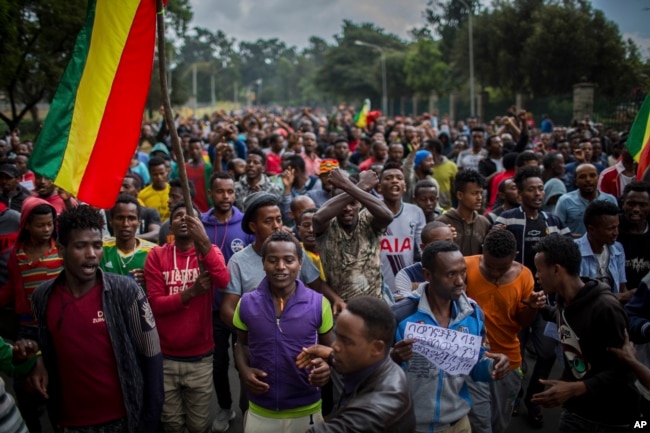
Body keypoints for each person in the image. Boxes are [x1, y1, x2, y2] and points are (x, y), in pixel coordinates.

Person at [31, 205, 164, 433]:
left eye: (97, 245)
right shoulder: (42, 297)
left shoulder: (126, 291)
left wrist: (150, 419)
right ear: (61, 250)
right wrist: (36, 356)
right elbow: (44, 346)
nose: (92, 254)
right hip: (69, 422)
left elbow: (151, 355)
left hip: (125, 420)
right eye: (81, 246)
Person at [391, 241, 509, 433]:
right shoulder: (400, 316)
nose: (460, 281)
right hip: (408, 425)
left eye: (463, 272)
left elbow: (475, 367)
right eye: (451, 274)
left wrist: (493, 367)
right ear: (427, 275)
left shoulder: (473, 314)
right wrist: (394, 357)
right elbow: (374, 370)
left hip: (458, 424)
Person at [531, 234, 639, 432]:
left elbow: (624, 371)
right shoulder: (565, 300)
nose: (537, 276)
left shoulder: (605, 309)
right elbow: (564, 317)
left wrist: (575, 388)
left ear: (556, 270)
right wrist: (540, 308)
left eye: (539, 270)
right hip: (576, 410)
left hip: (611, 417)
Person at [233, 231, 333, 432]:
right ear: (263, 263)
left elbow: (331, 350)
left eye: (288, 260)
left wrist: (326, 368)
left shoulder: (319, 304)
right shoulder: (246, 303)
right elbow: (240, 344)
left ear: (300, 263)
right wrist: (244, 371)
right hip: (261, 409)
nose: (280, 267)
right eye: (272, 260)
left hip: (307, 408)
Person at [144, 202, 229, 433]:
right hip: (165, 358)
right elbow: (155, 304)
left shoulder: (211, 252)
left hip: (200, 359)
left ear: (200, 225)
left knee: (198, 425)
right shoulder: (156, 256)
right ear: (170, 225)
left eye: (190, 216)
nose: (184, 219)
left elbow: (223, 281)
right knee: (171, 425)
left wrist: (203, 244)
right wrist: (192, 292)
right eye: (178, 216)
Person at [296, 296, 416, 433]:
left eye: (346, 341)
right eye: (337, 336)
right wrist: (330, 356)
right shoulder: (383, 366)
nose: (334, 346)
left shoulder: (374, 411)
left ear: (376, 348)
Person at [465, 230, 544, 433]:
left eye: (502, 268)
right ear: (483, 252)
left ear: (515, 256)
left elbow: (523, 321)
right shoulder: (465, 266)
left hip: (507, 361)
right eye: (490, 266)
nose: (495, 273)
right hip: (470, 359)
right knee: (479, 424)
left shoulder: (525, 276)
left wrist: (532, 307)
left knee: (499, 422)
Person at [200, 171, 254, 432]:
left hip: (243, 309)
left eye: (230, 191)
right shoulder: (201, 224)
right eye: (220, 192)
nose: (226, 197)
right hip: (212, 311)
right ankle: (224, 407)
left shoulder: (246, 225)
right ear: (211, 193)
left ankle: (249, 408)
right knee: (218, 364)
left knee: (246, 359)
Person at [313, 169, 393, 301]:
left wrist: (346, 185)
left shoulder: (368, 219)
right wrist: (361, 186)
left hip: (373, 303)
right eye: (343, 204)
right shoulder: (326, 225)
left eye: (353, 203)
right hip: (340, 306)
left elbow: (388, 216)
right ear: (334, 202)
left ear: (360, 203)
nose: (347, 208)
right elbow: (317, 218)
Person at [378, 162, 426, 297]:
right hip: (377, 289)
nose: (394, 180)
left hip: (406, 289)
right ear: (380, 187)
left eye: (399, 178)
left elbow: (423, 249)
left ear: (405, 186)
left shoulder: (416, 212)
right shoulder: (369, 213)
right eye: (388, 178)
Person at [100, 194, 156, 289]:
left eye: (131, 218)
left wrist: (150, 280)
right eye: (120, 218)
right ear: (111, 221)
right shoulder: (99, 248)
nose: (125, 224)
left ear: (139, 222)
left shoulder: (154, 252)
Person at [575, 200, 628, 297]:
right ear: (591, 229)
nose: (616, 233)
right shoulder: (574, 251)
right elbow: (576, 295)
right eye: (610, 229)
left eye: (617, 227)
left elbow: (621, 288)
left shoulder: (617, 249)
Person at [436, 169, 491, 256]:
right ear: (460, 195)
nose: (479, 198)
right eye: (474, 193)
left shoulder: (484, 223)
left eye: (481, 193)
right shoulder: (442, 222)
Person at [394, 221, 454, 297]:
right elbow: (404, 304)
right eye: (437, 244)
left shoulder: (463, 270)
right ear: (423, 247)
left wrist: (417, 287)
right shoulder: (406, 275)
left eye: (448, 242)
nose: (445, 247)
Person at [555, 163, 618, 236]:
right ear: (575, 181)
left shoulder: (610, 200)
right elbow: (557, 230)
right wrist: (568, 236)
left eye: (592, 176)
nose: (588, 180)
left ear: (598, 178)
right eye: (582, 177)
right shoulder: (565, 201)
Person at [616, 181, 650, 294]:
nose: (636, 209)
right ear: (623, 203)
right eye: (631, 204)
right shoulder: (612, 229)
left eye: (642, 205)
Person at [111, 173, 161, 243]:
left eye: (126, 186)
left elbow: (156, 234)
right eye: (118, 186)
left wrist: (128, 238)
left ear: (138, 190)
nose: (121, 190)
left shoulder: (150, 212)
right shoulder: (108, 211)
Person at [139, 156, 172, 222]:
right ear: (150, 174)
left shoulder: (173, 191)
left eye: (162, 173)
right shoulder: (142, 195)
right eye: (155, 174)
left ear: (167, 172)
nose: (159, 177)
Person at [185, 137, 213, 212]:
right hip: (191, 208)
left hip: (206, 207)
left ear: (202, 149)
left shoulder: (208, 167)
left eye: (197, 148)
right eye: (192, 149)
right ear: (189, 150)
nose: (194, 151)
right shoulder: (185, 168)